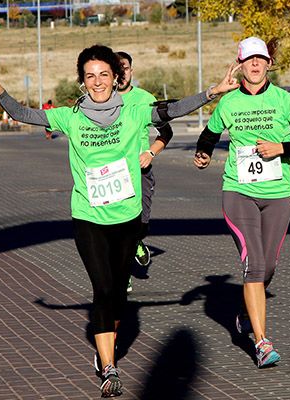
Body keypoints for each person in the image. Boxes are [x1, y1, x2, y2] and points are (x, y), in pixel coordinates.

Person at [0, 45, 240, 397]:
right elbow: (23, 113)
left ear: (116, 77)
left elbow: (174, 109)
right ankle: (108, 366)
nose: (98, 81)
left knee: (117, 293)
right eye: (90, 76)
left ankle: (107, 342)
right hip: (88, 216)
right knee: (102, 290)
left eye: (104, 74)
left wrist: (213, 91)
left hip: (127, 216)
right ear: (82, 81)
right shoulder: (70, 117)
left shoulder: (134, 112)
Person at [193, 36, 290, 368]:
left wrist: (282, 148)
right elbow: (209, 134)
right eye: (248, 59)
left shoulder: (285, 101)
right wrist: (203, 153)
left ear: (268, 64)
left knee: (269, 266)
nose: (254, 64)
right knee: (254, 265)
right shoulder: (229, 103)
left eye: (260, 59)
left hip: (277, 195)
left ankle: (245, 311)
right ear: (240, 64)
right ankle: (262, 343)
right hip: (239, 192)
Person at [116, 51, 173, 293]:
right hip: (113, 172)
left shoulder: (145, 99)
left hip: (141, 170)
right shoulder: (101, 99)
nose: (122, 73)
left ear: (131, 70)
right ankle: (123, 275)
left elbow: (166, 133)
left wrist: (150, 153)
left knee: (140, 225)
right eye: (117, 69)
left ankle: (137, 240)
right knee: (115, 226)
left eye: (125, 68)